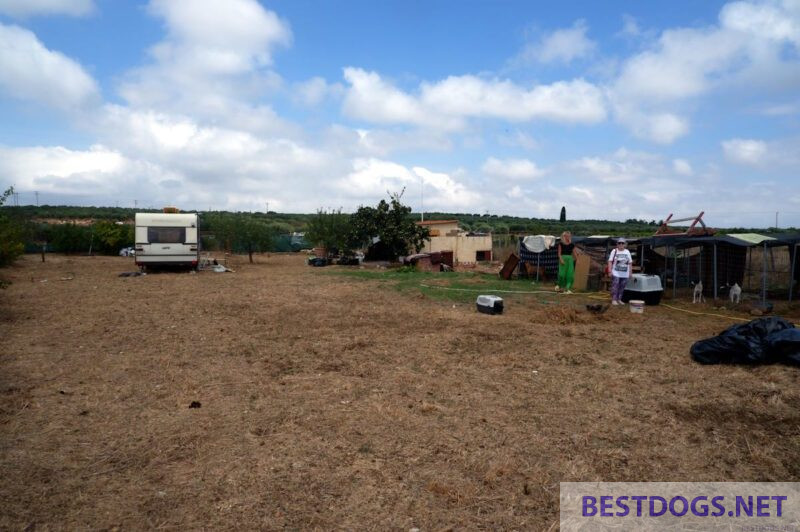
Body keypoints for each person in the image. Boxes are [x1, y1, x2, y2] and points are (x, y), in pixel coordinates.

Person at [608, 238, 633, 305]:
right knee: (615, 285)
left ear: (625, 244)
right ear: (617, 244)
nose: (621, 244)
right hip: (616, 272)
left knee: (622, 286)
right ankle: (614, 299)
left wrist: (630, 272)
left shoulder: (627, 252)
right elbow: (610, 261)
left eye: (622, 243)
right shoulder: (614, 251)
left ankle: (619, 299)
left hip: (625, 273)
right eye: (619, 243)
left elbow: (630, 263)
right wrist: (609, 271)